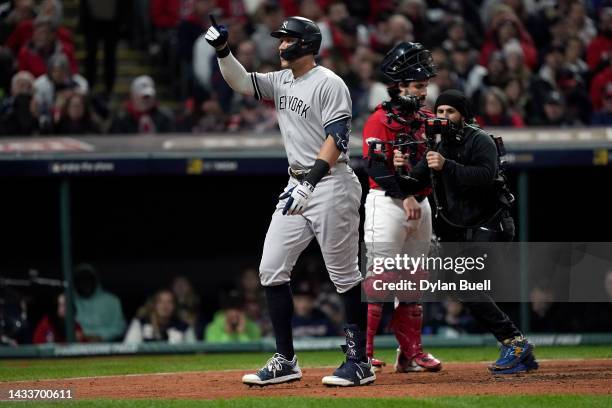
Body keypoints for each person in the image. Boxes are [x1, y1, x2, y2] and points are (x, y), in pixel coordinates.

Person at [204, 15, 373, 387]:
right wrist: (222, 51)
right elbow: (241, 82)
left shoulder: (329, 83)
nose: (280, 45)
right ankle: (286, 360)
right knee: (271, 268)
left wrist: (309, 184)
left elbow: (339, 139)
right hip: (295, 183)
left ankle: (359, 361)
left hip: (330, 183)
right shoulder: (281, 80)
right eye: (280, 39)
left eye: (287, 39)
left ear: (306, 45)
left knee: (344, 276)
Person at [405, 89, 538, 374]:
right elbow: (413, 180)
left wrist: (447, 165)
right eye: (439, 112)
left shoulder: (481, 139)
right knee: (462, 286)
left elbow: (485, 176)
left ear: (462, 115)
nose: (443, 117)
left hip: (494, 224)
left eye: (449, 112)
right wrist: (399, 167)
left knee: (466, 285)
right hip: (469, 229)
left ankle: (514, 342)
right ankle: (517, 347)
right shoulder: (439, 146)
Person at [361, 42, 442, 373]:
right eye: (419, 85)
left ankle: (410, 353)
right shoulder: (379, 119)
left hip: (420, 203)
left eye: (425, 85)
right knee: (380, 278)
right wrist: (405, 194)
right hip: (388, 202)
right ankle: (361, 355)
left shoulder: (427, 119)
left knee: (413, 281)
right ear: (399, 85)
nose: (424, 91)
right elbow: (375, 167)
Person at [73, 263, 126, 342]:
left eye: (88, 279)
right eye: (81, 279)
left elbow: (120, 327)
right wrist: (83, 336)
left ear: (95, 280)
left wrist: (101, 337)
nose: (85, 283)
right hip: (76, 347)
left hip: (107, 347)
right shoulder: (68, 302)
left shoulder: (112, 301)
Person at [124, 289, 196, 344]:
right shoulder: (140, 323)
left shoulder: (184, 327)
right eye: (160, 301)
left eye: (169, 302)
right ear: (154, 304)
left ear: (175, 306)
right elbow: (129, 348)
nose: (165, 306)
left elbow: (195, 352)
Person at [109, 75, 175, 134]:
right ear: (132, 96)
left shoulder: (165, 117)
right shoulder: (121, 120)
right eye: (143, 96)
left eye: (149, 96)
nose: (146, 99)